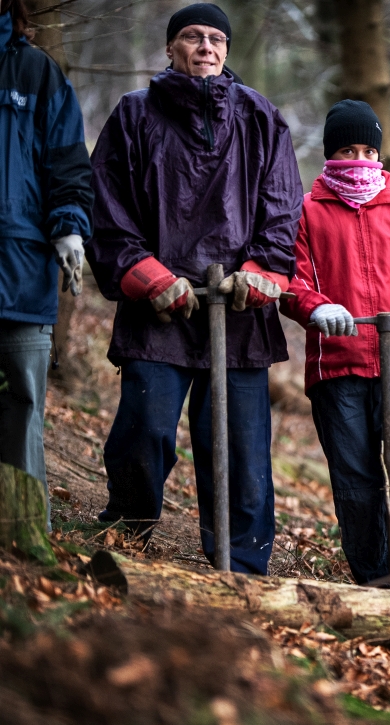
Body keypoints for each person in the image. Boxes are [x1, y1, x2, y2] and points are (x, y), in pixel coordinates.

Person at [86, 3, 302, 574]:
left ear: (226, 51)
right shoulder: (134, 116)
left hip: (239, 313)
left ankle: (245, 569)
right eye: (191, 36)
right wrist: (148, 275)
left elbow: (283, 214)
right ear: (170, 49)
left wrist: (259, 271)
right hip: (159, 311)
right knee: (144, 431)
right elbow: (107, 211)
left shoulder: (261, 119)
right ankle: (127, 539)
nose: (205, 46)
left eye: (215, 38)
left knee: (240, 450)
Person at [280, 100, 390, 590]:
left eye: (367, 149)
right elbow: (289, 280)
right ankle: (374, 584)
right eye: (347, 149)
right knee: (356, 484)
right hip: (336, 368)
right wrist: (314, 306)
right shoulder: (306, 212)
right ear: (329, 153)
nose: (359, 158)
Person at [0, 0, 92, 527]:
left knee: (24, 404)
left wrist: (70, 225)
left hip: (21, 268)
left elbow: (67, 160)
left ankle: (27, 533)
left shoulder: (36, 71)